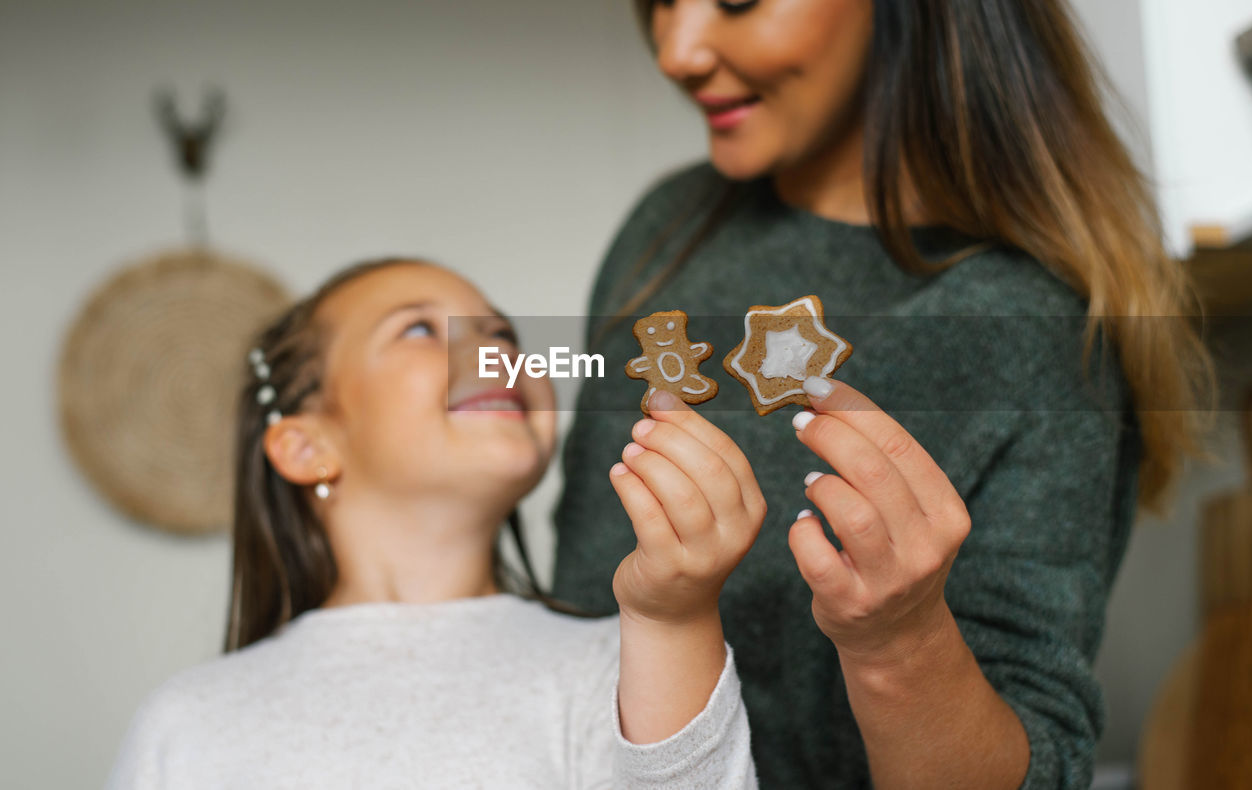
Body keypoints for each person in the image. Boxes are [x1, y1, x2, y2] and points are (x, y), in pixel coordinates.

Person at [552, 0, 1212, 788]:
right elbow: (573, 614)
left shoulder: (1032, 330)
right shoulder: (667, 228)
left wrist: (900, 642)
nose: (677, 50)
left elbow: (1036, 764)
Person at [106, 258, 762, 789]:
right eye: (419, 330)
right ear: (307, 447)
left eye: (504, 335)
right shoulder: (189, 722)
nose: (495, 352)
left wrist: (677, 619)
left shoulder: (623, 668)